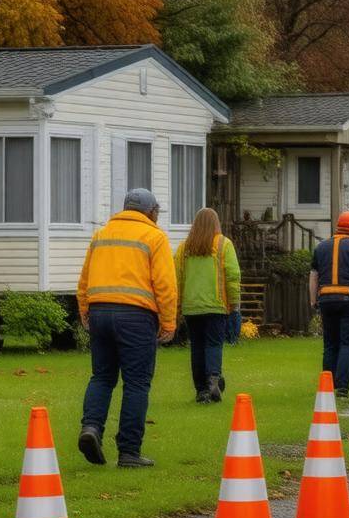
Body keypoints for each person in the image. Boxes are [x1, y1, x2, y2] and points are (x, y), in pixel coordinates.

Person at [76, 188, 177, 468]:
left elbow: (84, 278)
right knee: (136, 383)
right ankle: (129, 452)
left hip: (99, 312)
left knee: (102, 377)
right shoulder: (154, 237)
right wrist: (168, 322)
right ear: (150, 212)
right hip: (136, 316)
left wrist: (85, 309)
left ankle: (91, 428)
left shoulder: (101, 235)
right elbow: (165, 285)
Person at [175, 207, 241, 404]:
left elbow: (177, 278)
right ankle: (213, 379)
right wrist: (235, 304)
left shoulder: (184, 248)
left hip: (191, 306)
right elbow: (232, 276)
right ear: (216, 223)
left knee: (197, 348)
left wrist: (177, 306)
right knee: (213, 344)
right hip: (216, 305)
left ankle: (202, 391)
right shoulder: (224, 244)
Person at [309, 211, 349, 397]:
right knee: (348, 344)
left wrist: (313, 301)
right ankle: (342, 386)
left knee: (330, 344)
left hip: (326, 300)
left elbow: (314, 276)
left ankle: (327, 385)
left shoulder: (321, 247)